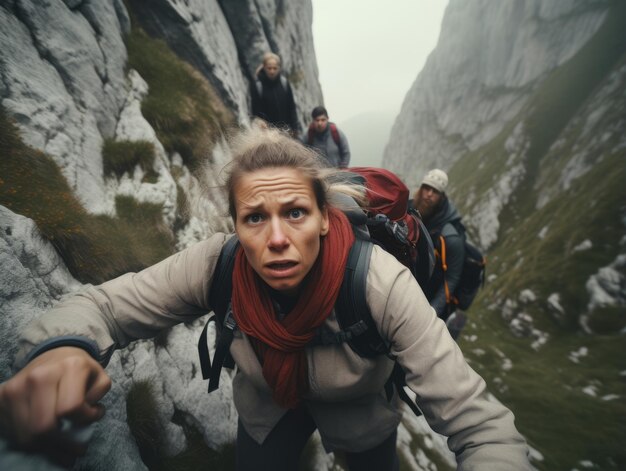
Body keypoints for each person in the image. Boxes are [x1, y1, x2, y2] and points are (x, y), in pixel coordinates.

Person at [0, 127, 531, 470]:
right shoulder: (217, 263)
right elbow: (105, 307)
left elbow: (480, 427)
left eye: (296, 212)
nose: (277, 237)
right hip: (269, 407)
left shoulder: (377, 281)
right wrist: (62, 349)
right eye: (255, 217)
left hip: (362, 413)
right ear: (235, 226)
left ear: (325, 218)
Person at [411, 169, 465, 325]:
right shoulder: (411, 209)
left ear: (441, 197)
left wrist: (432, 311)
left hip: (428, 295)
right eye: (426, 188)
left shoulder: (450, 237)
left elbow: (452, 278)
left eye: (434, 191)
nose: (428, 194)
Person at [250, 52, 299, 135]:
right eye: (269, 68)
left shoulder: (284, 83)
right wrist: (260, 122)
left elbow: (291, 107)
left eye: (274, 68)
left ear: (279, 68)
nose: (272, 71)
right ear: (264, 67)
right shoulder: (257, 85)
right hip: (266, 134)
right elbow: (255, 111)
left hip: (285, 132)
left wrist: (294, 128)